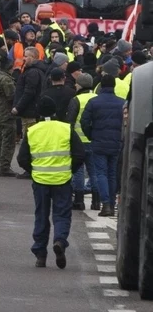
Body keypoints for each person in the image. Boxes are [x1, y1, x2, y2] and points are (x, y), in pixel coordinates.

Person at [17, 96, 86, 268]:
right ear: (56, 111)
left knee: (41, 215)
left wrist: (34, 171)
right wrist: (69, 170)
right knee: (62, 214)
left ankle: (40, 254)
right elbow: (79, 154)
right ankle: (60, 241)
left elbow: (22, 158)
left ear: (38, 113)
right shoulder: (66, 129)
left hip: (40, 180)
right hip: (62, 180)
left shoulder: (32, 131)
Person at [81, 74, 126, 216]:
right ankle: (112, 204)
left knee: (101, 173)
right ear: (114, 86)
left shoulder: (94, 102)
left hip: (98, 142)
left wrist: (91, 135)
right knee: (112, 174)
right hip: (116, 142)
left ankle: (105, 203)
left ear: (101, 86)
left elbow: (84, 121)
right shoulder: (122, 103)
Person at [66, 73, 98, 210]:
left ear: (80, 85)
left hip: (79, 140)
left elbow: (70, 122)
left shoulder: (76, 100)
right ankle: (96, 202)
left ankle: (79, 201)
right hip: (94, 140)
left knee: (78, 171)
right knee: (94, 171)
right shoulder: (97, 98)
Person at [12, 46, 46, 175]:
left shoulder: (32, 72)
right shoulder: (32, 70)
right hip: (30, 111)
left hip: (30, 111)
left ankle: (30, 168)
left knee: (30, 141)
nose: (24, 58)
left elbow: (29, 92)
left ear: (34, 57)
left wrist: (17, 107)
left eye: (27, 56)